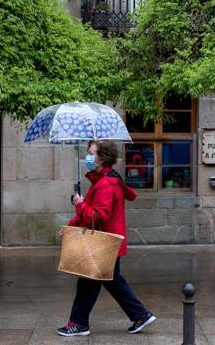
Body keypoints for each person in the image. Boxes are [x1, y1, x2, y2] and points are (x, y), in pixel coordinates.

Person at [57, 140, 156, 337]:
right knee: (111, 281)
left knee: (88, 282)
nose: (88, 156)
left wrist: (79, 204)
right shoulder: (103, 180)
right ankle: (140, 315)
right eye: (88, 152)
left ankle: (79, 324)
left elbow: (98, 216)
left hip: (104, 243)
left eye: (91, 152)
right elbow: (92, 214)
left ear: (102, 158)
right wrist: (71, 225)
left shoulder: (106, 184)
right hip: (107, 242)